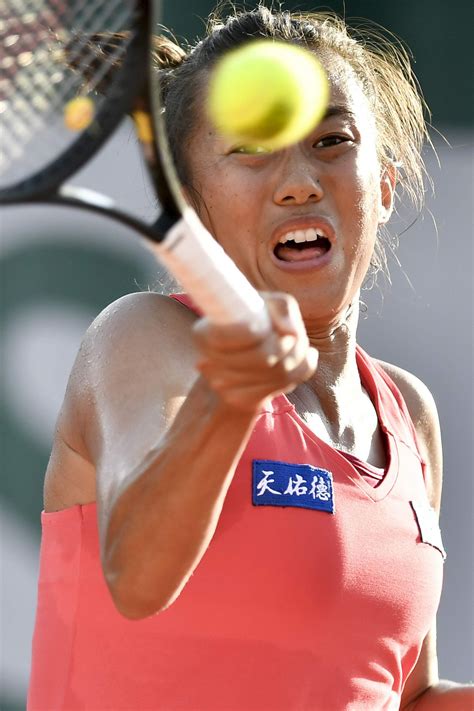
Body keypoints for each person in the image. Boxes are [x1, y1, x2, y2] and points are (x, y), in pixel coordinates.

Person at [27, 5, 473, 710]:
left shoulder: (409, 414)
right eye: (250, 149)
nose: (299, 180)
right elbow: (136, 577)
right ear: (191, 204)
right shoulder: (143, 337)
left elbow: (404, 691)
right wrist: (227, 400)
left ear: (383, 187)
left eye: (332, 139)